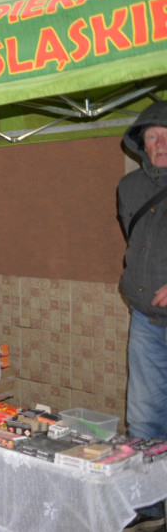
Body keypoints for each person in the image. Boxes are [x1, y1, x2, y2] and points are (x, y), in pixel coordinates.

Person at [118, 100, 167, 532]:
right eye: (152, 135)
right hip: (146, 321)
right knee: (144, 417)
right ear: (141, 142)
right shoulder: (129, 187)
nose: (161, 143)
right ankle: (149, 505)